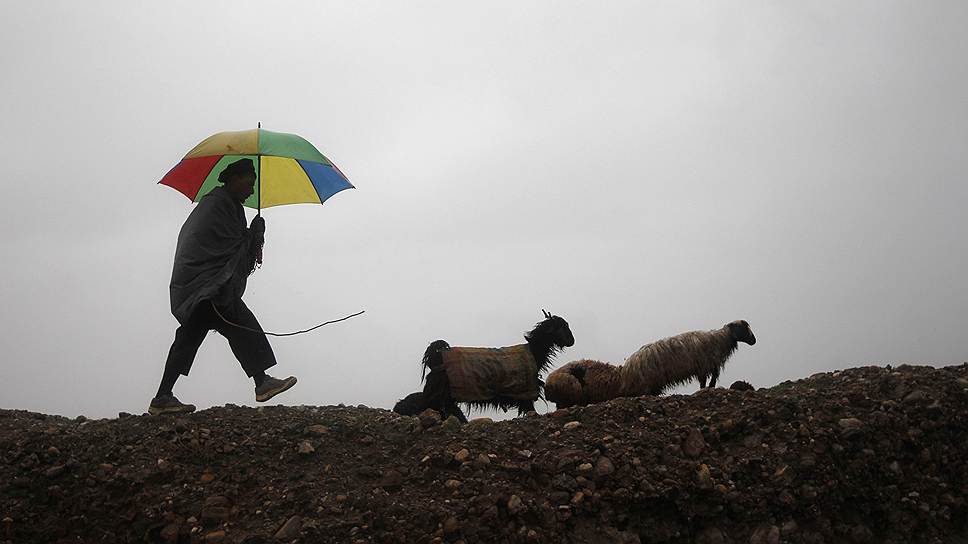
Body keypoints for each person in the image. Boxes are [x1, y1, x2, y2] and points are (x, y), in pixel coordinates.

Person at [149, 158, 297, 415]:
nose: (251, 191)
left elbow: (234, 245)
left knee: (190, 337)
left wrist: (254, 234)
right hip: (207, 287)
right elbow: (214, 244)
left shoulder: (230, 206)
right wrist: (250, 236)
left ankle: (162, 396)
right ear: (232, 179)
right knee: (240, 324)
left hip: (208, 288)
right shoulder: (216, 204)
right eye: (249, 183)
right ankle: (261, 382)